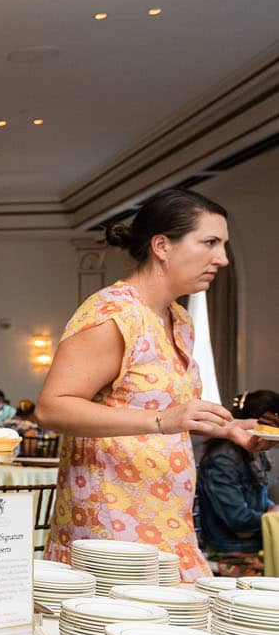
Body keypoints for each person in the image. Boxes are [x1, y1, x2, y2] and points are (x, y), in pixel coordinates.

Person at [37, 188, 264, 582]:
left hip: (167, 515)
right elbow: (52, 407)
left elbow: (165, 412)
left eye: (223, 245)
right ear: (162, 246)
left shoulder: (179, 319)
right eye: (210, 242)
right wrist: (162, 420)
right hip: (112, 522)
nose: (223, 258)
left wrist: (227, 428)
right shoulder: (113, 313)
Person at [196, 389, 279, 569]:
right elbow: (237, 518)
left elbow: (260, 498)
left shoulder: (254, 451)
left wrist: (272, 508)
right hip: (231, 550)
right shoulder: (223, 459)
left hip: (254, 543)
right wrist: (271, 517)